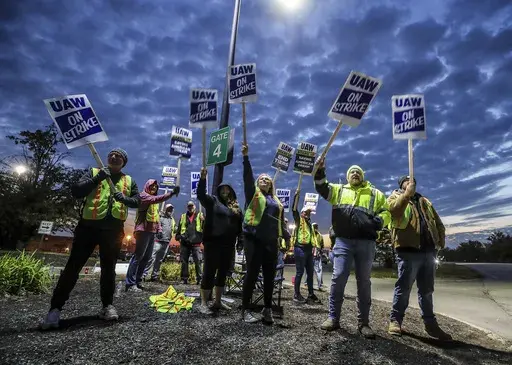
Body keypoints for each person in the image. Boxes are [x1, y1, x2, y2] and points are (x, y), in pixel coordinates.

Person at [41, 148, 139, 329]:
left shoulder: (129, 180)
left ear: (124, 162)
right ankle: (54, 310)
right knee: (73, 267)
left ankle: (107, 306)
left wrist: (124, 199)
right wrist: (98, 178)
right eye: (111, 154)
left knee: (109, 270)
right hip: (88, 227)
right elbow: (77, 191)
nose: (114, 156)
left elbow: (138, 201)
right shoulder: (94, 172)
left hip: (113, 231)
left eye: (119, 155)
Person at [314, 159, 390, 339]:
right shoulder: (339, 190)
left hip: (366, 242)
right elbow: (321, 187)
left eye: (358, 172)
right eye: (352, 172)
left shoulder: (375, 193)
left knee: (364, 281)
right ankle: (333, 318)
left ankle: (364, 323)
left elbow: (386, 212)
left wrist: (379, 221)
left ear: (362, 176)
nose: (355, 173)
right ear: (348, 177)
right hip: (343, 242)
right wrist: (320, 170)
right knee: (338, 277)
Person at [387, 176, 452, 340]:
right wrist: (406, 195)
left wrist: (440, 239)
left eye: (412, 181)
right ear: (401, 185)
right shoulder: (395, 196)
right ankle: (395, 320)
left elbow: (436, 220)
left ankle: (431, 324)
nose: (410, 183)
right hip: (407, 250)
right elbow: (394, 211)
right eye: (406, 181)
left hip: (428, 250)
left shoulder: (424, 201)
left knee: (427, 290)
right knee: (404, 288)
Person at [241, 143, 290, 324]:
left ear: (271, 185)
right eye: (262, 178)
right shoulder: (252, 195)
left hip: (271, 242)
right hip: (253, 239)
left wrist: (286, 238)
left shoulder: (276, 201)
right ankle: (246, 309)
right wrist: (246, 158)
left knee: (269, 276)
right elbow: (247, 178)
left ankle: (267, 309)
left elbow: (280, 222)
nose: (265, 180)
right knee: (252, 274)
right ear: (257, 182)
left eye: (268, 179)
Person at [196, 167, 243, 315]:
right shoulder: (213, 201)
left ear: (231, 191)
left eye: (227, 189)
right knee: (209, 272)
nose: (224, 191)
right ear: (218, 190)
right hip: (213, 243)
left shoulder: (236, 207)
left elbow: (239, 225)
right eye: (222, 188)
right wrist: (202, 179)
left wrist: (240, 240)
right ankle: (204, 303)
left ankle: (218, 301)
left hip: (228, 245)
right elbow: (201, 195)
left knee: (223, 272)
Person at [126, 180, 178, 292]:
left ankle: (138, 281)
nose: (154, 187)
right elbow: (156, 199)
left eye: (155, 186)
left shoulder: (154, 203)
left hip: (151, 232)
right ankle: (130, 283)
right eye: (152, 185)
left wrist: (158, 229)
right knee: (138, 257)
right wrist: (171, 194)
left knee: (146, 257)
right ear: (147, 186)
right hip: (143, 231)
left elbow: (155, 217)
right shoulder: (144, 196)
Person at [292, 190, 320, 304]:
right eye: (305, 212)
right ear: (302, 213)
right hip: (300, 249)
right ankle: (296, 294)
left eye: (309, 213)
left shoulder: (310, 224)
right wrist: (296, 197)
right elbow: (294, 210)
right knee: (299, 272)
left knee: (310, 273)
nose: (307, 214)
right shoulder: (299, 220)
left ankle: (310, 294)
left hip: (308, 250)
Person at [143, 203, 176, 282]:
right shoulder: (160, 217)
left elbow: (173, 229)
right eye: (168, 209)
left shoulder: (172, 219)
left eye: (171, 209)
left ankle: (154, 275)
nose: (170, 210)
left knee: (160, 259)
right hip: (157, 241)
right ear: (165, 209)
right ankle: (144, 275)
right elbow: (156, 225)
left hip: (166, 242)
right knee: (151, 258)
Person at [176, 201, 204, 285]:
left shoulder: (200, 215)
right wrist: (178, 236)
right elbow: (180, 227)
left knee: (198, 261)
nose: (190, 208)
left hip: (196, 242)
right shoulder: (183, 216)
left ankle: (200, 279)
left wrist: (204, 220)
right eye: (189, 206)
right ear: (187, 207)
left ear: (195, 207)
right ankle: (184, 279)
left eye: (192, 206)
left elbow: (204, 227)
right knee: (184, 261)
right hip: (185, 242)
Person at [312, 223, 325, 291]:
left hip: (312, 255)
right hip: (318, 254)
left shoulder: (311, 234)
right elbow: (322, 246)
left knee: (310, 270)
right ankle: (320, 285)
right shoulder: (320, 235)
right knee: (319, 270)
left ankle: (309, 284)